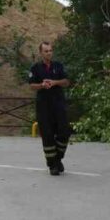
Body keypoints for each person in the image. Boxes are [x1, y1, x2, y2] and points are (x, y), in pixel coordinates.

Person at [28, 41, 71, 175]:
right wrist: (42, 85)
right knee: (47, 135)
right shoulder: (35, 68)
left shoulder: (58, 66)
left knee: (64, 131)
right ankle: (52, 164)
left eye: (50, 50)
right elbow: (31, 85)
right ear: (41, 53)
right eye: (46, 51)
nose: (49, 53)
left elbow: (66, 82)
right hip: (43, 106)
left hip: (58, 104)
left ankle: (58, 159)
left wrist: (54, 82)